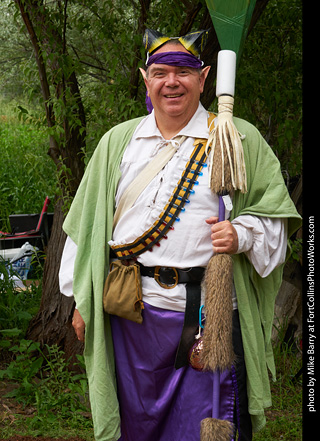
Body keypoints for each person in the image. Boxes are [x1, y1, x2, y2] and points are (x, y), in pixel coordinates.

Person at [59, 29, 301, 441]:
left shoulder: (238, 138)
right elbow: (86, 227)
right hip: (132, 316)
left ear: (204, 78)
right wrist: (78, 299)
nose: (171, 81)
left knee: (207, 426)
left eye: (184, 72)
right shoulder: (118, 142)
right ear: (145, 79)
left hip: (211, 317)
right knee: (136, 424)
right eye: (160, 72)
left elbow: (275, 220)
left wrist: (241, 235)